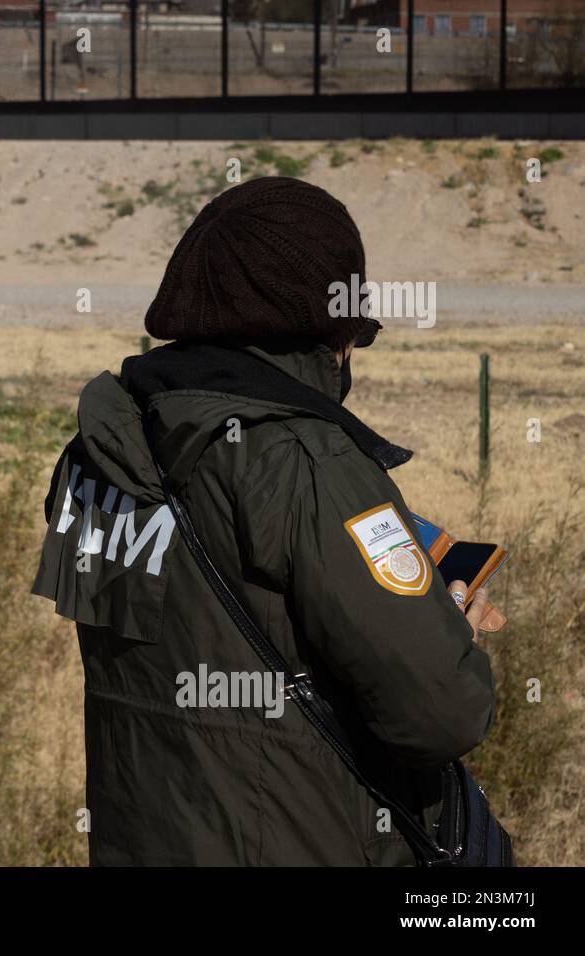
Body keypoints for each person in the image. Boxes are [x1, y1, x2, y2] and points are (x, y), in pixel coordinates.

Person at [32, 177, 497, 866]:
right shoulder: (307, 462)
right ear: (332, 329)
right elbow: (439, 713)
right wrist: (450, 624)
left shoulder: (99, 450)